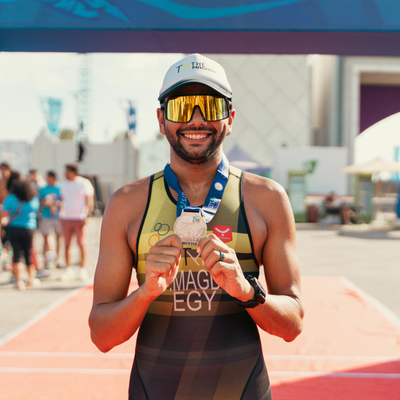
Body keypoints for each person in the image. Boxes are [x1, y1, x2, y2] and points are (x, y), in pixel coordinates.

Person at [89, 54, 304, 400]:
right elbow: (102, 336)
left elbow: (292, 324)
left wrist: (248, 291)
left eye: (209, 105)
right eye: (182, 107)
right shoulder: (127, 205)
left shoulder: (266, 199)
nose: (196, 119)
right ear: (161, 119)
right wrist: (145, 293)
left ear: (230, 118)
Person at [1, 171, 40, 290]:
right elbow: (36, 210)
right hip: (28, 228)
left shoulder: (11, 198)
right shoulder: (33, 198)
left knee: (17, 254)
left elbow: (4, 213)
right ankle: (31, 279)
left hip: (14, 228)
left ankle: (19, 281)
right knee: (28, 253)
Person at [59, 163, 94, 282]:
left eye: (67, 171)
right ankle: (68, 269)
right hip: (66, 218)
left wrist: (87, 215)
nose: (65, 173)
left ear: (73, 172)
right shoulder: (63, 184)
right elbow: (61, 199)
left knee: (82, 244)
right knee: (67, 244)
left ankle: (82, 269)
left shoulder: (84, 183)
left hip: (80, 218)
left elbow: (89, 200)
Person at [38, 170, 63, 269]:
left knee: (59, 238)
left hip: (58, 216)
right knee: (45, 237)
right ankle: (45, 261)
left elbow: (64, 200)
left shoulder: (60, 188)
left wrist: (57, 204)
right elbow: (39, 201)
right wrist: (45, 202)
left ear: (53, 177)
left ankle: (58, 260)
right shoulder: (43, 189)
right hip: (46, 215)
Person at [0, 162, 12, 270]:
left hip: (13, 215)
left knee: (11, 239)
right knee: (4, 238)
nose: (3, 171)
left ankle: (9, 261)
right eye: (1, 169)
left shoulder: (13, 183)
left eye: (5, 169)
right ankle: (5, 261)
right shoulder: (1, 183)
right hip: (2, 214)